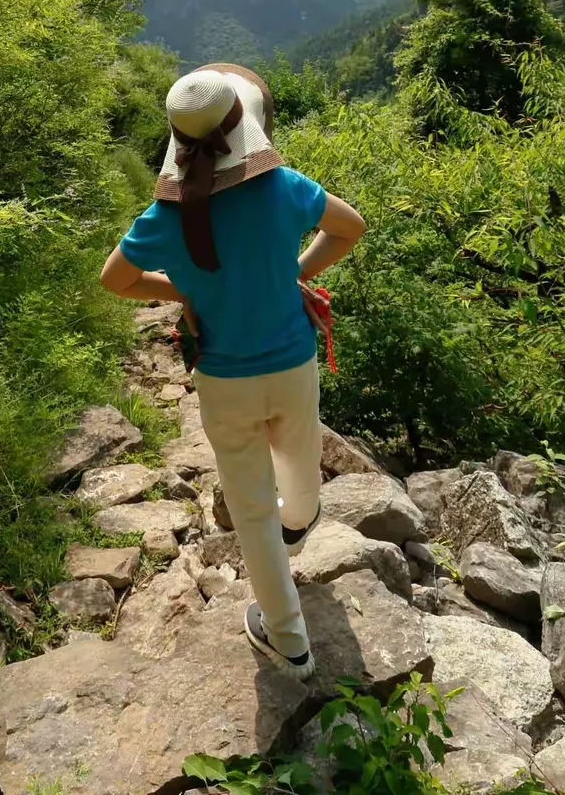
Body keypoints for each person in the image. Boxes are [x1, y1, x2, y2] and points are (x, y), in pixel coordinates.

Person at [100, 63, 365, 679]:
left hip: (222, 376)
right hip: (292, 362)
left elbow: (114, 279)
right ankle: (299, 522)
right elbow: (349, 229)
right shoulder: (283, 187)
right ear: (242, 125)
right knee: (301, 455)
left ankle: (289, 642)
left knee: (250, 507)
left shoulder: (164, 216)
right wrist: (293, 273)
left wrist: (182, 290)